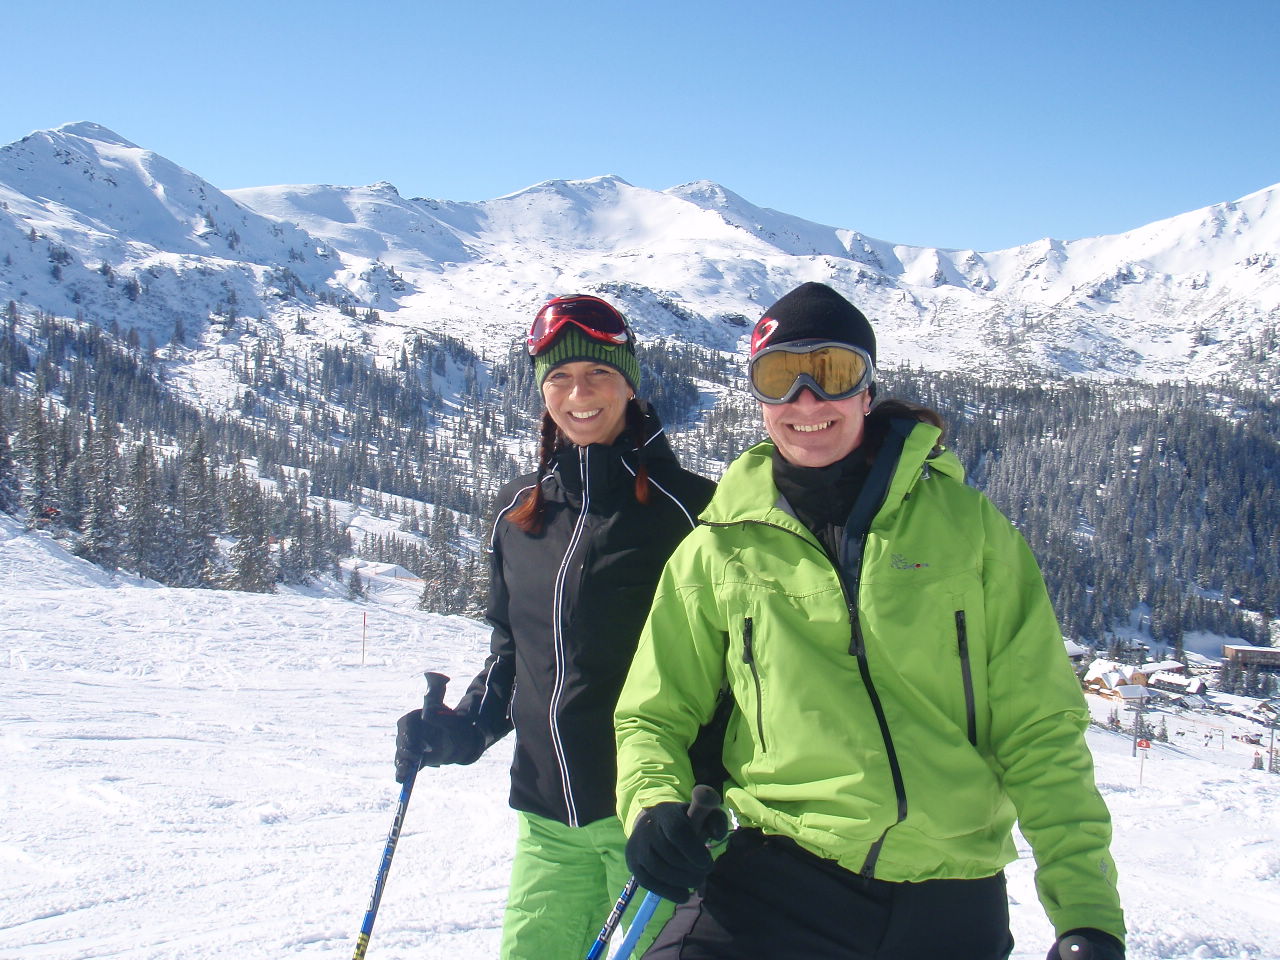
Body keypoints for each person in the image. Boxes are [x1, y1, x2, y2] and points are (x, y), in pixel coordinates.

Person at [614, 282, 1126, 960]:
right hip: (780, 876)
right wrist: (652, 804)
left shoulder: (968, 531)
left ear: (866, 390)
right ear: (759, 399)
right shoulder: (718, 550)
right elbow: (651, 714)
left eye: (832, 372)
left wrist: (1087, 916)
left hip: (950, 892)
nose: (806, 401)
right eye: (779, 378)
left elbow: (1039, 726)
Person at [394, 294, 715, 959]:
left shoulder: (691, 511)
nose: (579, 393)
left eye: (598, 373)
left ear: (629, 383)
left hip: (655, 820)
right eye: (560, 377)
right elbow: (513, 655)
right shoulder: (522, 513)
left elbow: (736, 671)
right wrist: (464, 728)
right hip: (548, 819)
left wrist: (705, 789)